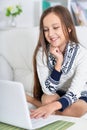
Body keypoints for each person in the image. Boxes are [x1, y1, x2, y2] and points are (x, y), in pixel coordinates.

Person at [26, 5, 87, 118]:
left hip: (79, 94)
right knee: (47, 98)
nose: (50, 34)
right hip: (56, 93)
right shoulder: (42, 53)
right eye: (46, 29)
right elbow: (48, 90)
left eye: (55, 27)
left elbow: (74, 92)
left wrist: (51, 107)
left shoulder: (82, 54)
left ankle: (34, 102)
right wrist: (58, 63)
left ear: (69, 28)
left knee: (79, 109)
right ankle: (46, 107)